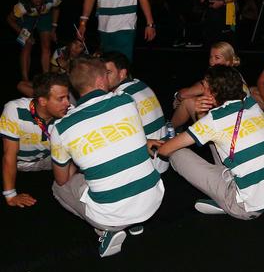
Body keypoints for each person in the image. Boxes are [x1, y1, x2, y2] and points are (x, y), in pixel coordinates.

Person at [50, 56, 164, 257]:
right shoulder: (126, 101)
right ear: (101, 81)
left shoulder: (61, 128)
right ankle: (134, 223)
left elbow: (62, 179)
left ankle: (106, 230)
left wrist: (79, 156)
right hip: (152, 197)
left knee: (58, 187)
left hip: (111, 213)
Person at [157, 66, 264, 219]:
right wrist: (199, 114)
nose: (201, 89)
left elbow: (165, 150)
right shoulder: (251, 104)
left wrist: (153, 143)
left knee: (175, 152)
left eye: (203, 86)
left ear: (212, 94)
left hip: (244, 207)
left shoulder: (214, 121)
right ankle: (224, 196)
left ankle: (226, 201)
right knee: (218, 138)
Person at [1, 73, 70, 208]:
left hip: (51, 160)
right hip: (22, 164)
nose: (67, 103)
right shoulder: (15, 109)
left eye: (67, 96)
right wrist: (10, 195)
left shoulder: (69, 113)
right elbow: (9, 155)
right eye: (61, 98)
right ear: (43, 101)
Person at [172, 41, 246, 128]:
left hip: (229, 125)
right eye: (211, 57)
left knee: (188, 102)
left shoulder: (217, 79)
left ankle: (166, 131)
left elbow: (184, 94)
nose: (212, 61)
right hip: (242, 118)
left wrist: (177, 96)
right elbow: (201, 85)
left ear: (228, 61)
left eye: (217, 58)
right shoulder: (235, 74)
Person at [101, 51, 167, 147]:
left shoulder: (121, 97)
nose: (103, 78)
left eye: (108, 73)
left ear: (122, 74)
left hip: (150, 155)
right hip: (162, 151)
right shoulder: (140, 84)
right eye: (101, 73)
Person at [7, 0, 61, 82]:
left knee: (46, 45)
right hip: (26, 18)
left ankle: (46, 77)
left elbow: (57, 8)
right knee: (27, 45)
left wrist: (53, 28)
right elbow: (10, 20)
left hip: (44, 16)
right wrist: (24, 34)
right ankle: (25, 79)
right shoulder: (22, 6)